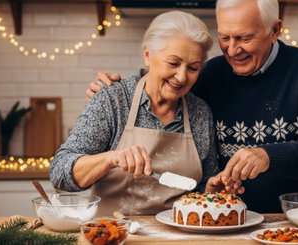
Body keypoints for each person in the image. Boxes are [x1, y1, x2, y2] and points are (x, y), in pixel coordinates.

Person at [87, 0, 298, 213]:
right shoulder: (208, 75)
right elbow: (165, 80)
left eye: (244, 37)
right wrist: (112, 91)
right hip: (228, 222)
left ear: (275, 30)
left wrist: (267, 156)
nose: (232, 50)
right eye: (224, 37)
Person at [50, 11, 242, 216]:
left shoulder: (200, 113)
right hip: (113, 233)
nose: (181, 76)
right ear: (148, 55)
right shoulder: (113, 100)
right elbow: (59, 174)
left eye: (193, 68)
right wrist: (111, 158)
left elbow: (201, 188)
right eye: (173, 63)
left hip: (178, 237)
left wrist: (211, 192)